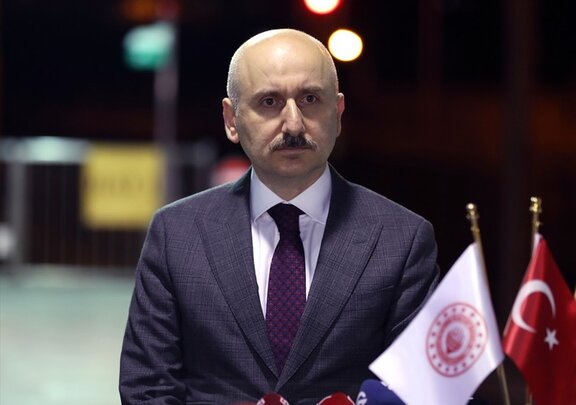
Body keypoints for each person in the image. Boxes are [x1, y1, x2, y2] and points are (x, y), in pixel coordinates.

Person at [119, 28, 439, 404]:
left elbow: (418, 391)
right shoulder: (176, 234)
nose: (293, 124)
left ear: (338, 113)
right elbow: (148, 387)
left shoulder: (402, 239)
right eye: (269, 102)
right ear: (232, 120)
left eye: (310, 99)